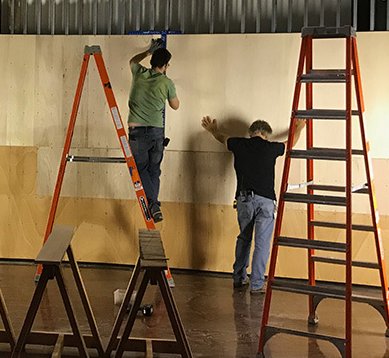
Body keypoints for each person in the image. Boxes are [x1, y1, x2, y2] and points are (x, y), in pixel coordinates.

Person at [201, 116, 305, 293]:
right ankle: (257, 285)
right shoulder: (271, 148)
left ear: (251, 133)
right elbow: (291, 143)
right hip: (265, 201)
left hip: (244, 200)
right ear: (266, 134)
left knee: (244, 238)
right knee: (262, 243)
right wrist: (299, 128)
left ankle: (239, 278)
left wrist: (212, 129)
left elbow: (222, 138)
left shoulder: (239, 144)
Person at [127, 39, 179, 223]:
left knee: (141, 169)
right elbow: (175, 106)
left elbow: (133, 60)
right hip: (156, 131)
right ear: (165, 65)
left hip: (136, 131)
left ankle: (153, 205)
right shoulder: (167, 82)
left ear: (151, 62)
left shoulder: (139, 73)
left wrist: (147, 52)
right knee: (154, 170)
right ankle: (154, 204)